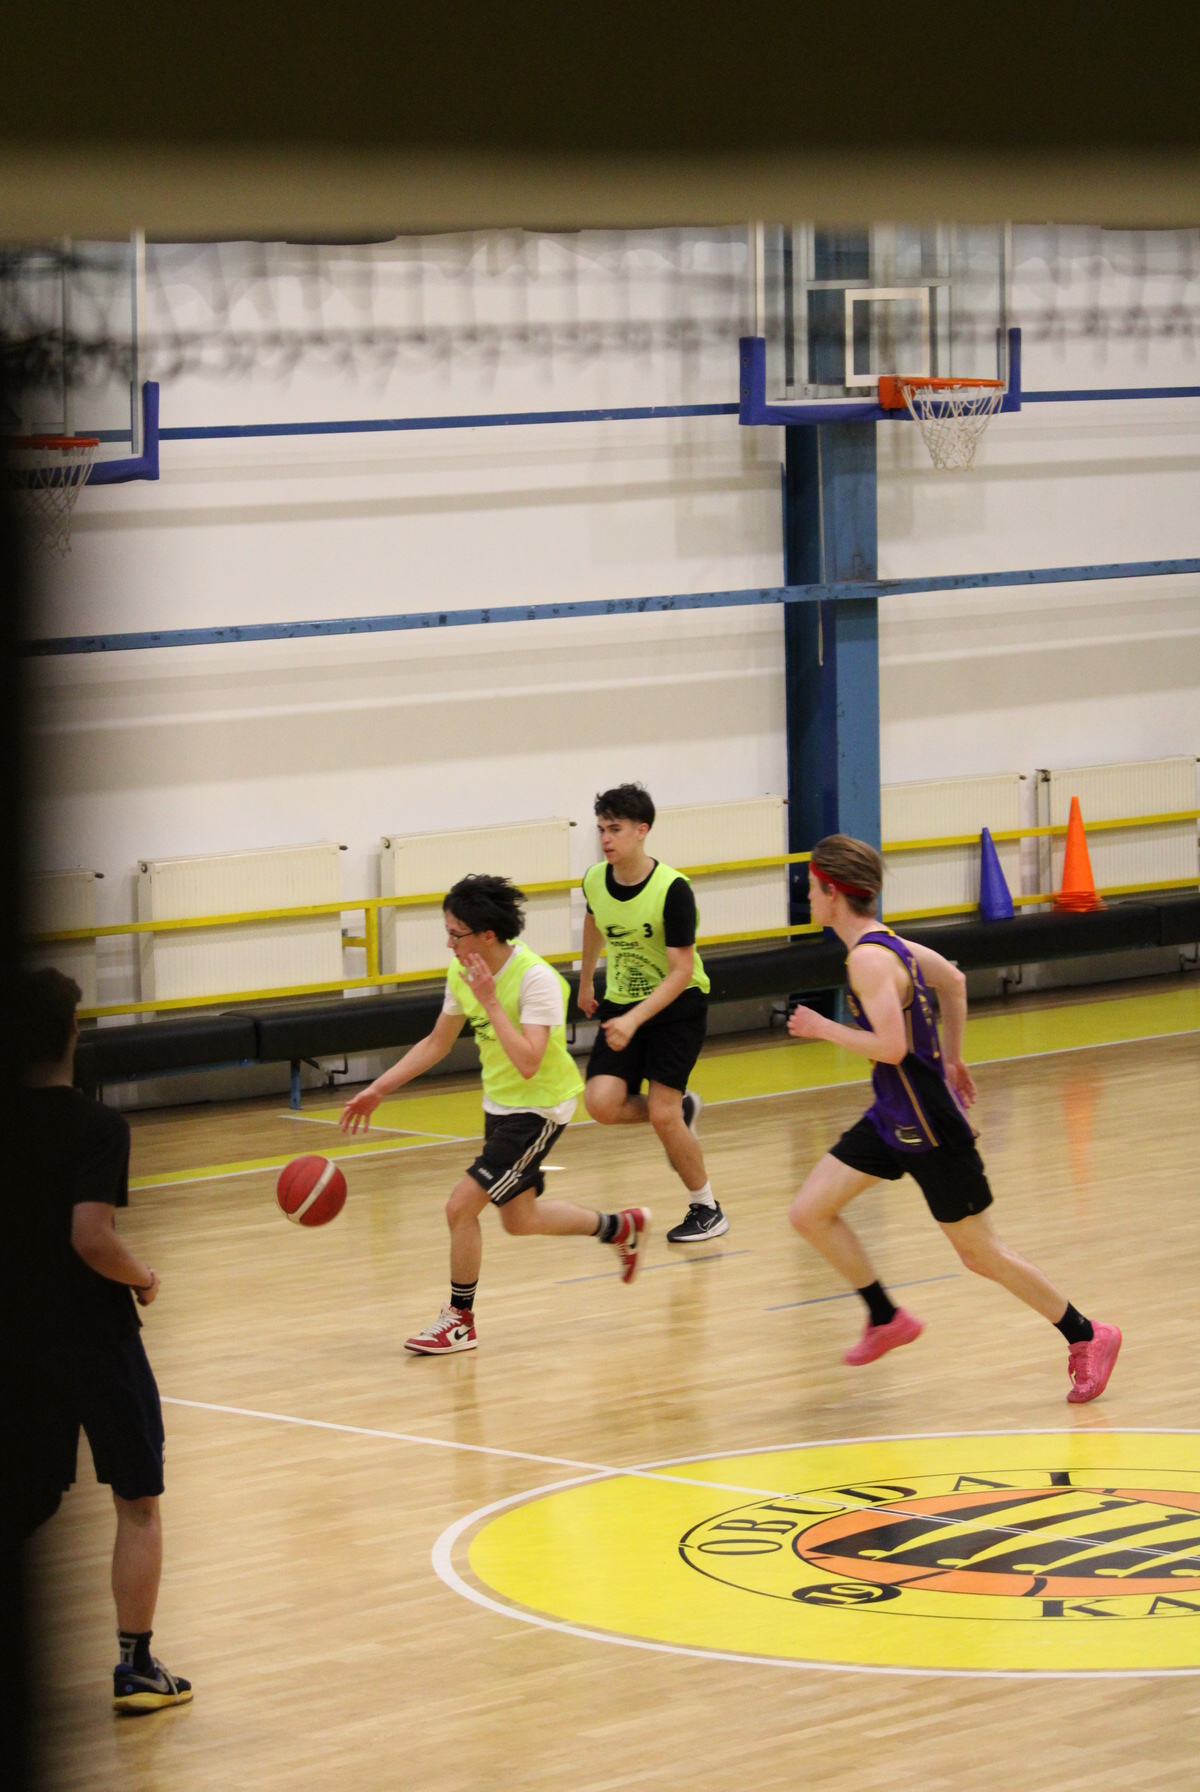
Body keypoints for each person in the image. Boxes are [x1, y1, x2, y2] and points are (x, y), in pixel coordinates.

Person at [786, 835, 1121, 1403]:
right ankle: (885, 1316)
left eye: (813, 887)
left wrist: (824, 1028)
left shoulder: (869, 958)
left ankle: (1087, 1334)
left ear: (833, 892)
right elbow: (955, 982)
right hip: (893, 1113)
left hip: (930, 1126)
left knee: (979, 1252)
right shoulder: (890, 945)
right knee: (809, 1212)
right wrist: (954, 1058)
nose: (808, 896)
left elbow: (891, 1046)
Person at [340, 874, 648, 1352]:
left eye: (456, 933)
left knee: (460, 1206)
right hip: (499, 1106)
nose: (449, 943)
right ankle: (618, 1227)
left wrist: (489, 1002)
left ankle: (459, 1321)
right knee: (520, 1219)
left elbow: (529, 1062)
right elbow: (437, 1043)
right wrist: (377, 1090)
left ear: (487, 935)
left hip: (540, 1107)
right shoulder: (461, 971)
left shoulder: (537, 979)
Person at [18, 968, 192, 1714]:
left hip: (20, 1337)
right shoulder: (97, 1126)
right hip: (96, 1335)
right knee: (137, 1501)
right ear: (72, 1034)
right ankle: (135, 1666)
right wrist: (143, 1276)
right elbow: (91, 1237)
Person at [578, 783, 726, 1242]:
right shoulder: (594, 879)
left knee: (662, 1114)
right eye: (601, 829)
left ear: (642, 831)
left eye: (615, 829)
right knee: (601, 1104)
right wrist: (586, 980)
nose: (606, 838)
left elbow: (681, 972)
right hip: (622, 1001)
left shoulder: (673, 890)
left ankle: (707, 1208)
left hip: (676, 1005)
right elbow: (593, 921)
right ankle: (682, 1110)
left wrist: (634, 1020)